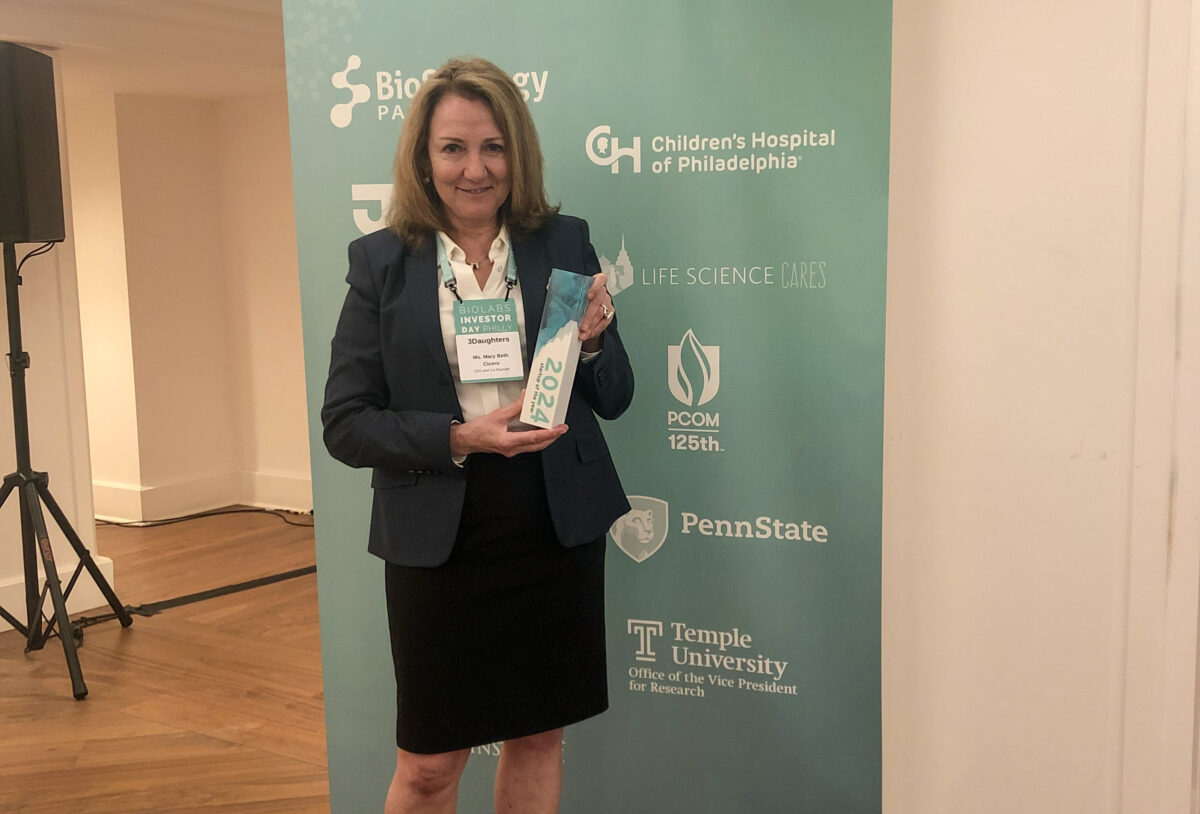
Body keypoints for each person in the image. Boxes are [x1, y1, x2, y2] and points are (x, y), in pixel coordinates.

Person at [321, 56, 634, 814]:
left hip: (551, 526)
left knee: (537, 739)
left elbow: (615, 395)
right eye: (453, 148)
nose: (474, 168)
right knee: (429, 766)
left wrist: (595, 341)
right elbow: (346, 421)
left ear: (516, 153)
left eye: (493, 147)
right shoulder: (383, 263)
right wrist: (460, 437)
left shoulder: (563, 241)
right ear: (424, 161)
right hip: (440, 536)